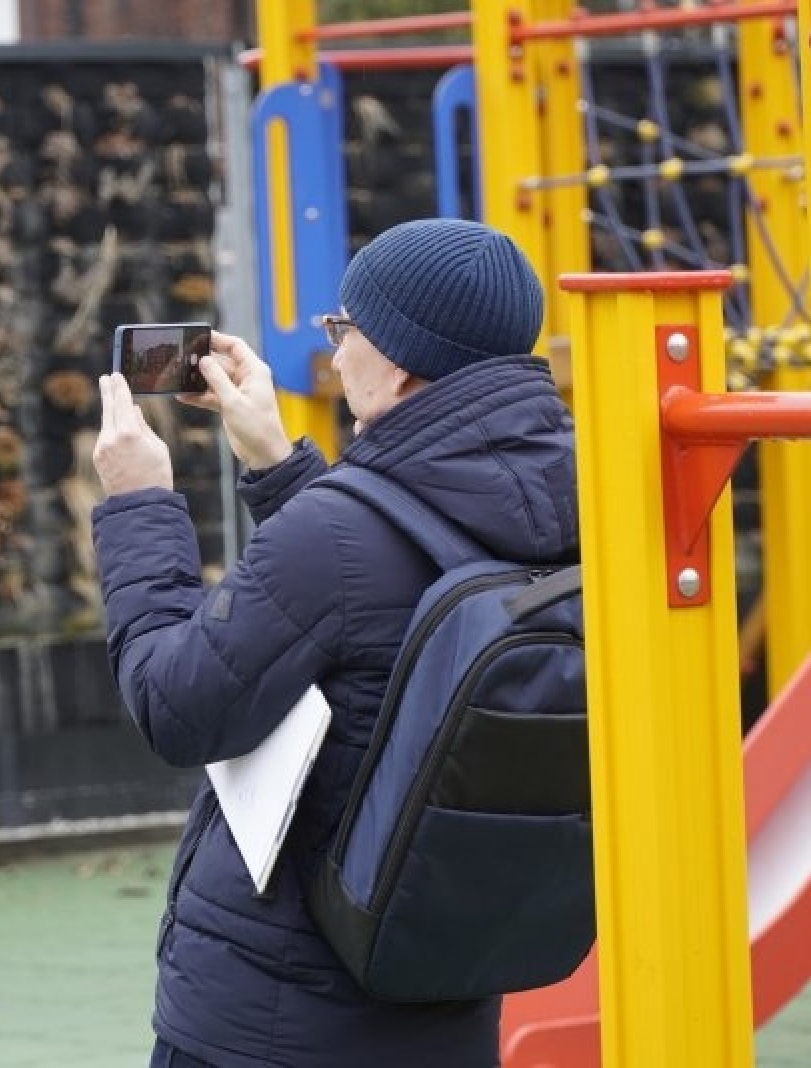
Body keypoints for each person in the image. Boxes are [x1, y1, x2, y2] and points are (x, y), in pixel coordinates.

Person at [90, 218, 579, 1068]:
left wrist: (139, 506)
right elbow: (401, 587)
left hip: (272, 1022)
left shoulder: (335, 536)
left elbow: (173, 707)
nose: (334, 351)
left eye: (342, 328)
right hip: (448, 999)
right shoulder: (572, 503)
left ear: (396, 361)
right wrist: (278, 464)